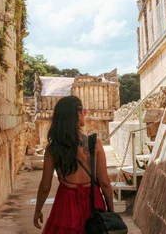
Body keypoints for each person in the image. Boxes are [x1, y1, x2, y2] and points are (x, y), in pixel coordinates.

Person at [33, 95, 114, 233]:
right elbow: (105, 182)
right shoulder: (95, 144)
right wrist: (111, 211)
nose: (85, 114)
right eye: (83, 111)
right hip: (93, 201)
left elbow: (45, 185)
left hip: (66, 203)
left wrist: (38, 210)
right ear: (77, 114)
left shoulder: (53, 148)